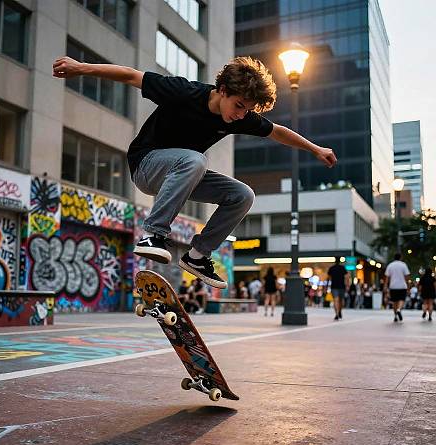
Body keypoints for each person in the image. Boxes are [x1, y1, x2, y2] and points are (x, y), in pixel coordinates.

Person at [52, 56, 337, 289]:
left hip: (183, 173)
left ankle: (198, 256)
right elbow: (129, 74)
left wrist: (314, 149)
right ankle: (153, 235)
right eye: (238, 106)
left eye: (247, 110)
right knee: (195, 160)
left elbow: (277, 131)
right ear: (222, 89)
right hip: (146, 166)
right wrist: (80, 68)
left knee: (242, 195)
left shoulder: (239, 118)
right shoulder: (183, 91)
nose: (240, 115)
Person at [384, 253, 410, 322]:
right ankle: (399, 309)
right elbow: (407, 277)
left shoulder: (390, 265)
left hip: (393, 286)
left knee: (394, 302)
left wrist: (385, 286)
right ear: (400, 257)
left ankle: (395, 316)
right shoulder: (403, 265)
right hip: (402, 286)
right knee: (401, 300)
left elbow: (387, 277)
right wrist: (408, 286)